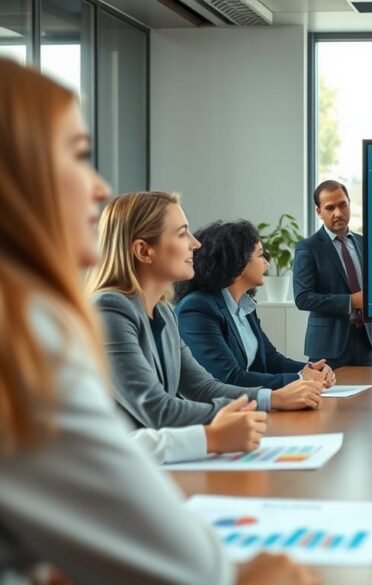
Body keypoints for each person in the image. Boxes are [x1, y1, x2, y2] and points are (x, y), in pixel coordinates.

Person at [0, 58, 317, 584]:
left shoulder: (162, 310)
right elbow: (193, 568)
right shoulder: (42, 334)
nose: (99, 188)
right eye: (77, 157)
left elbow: (199, 385)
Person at [87, 192, 324, 431]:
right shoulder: (109, 310)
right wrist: (242, 414)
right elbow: (157, 410)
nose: (195, 243)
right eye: (182, 234)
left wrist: (273, 399)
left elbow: (203, 388)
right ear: (143, 251)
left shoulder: (163, 312)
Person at [175, 220, 336, 389]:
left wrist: (311, 369)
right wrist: (301, 379)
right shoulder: (197, 308)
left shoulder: (245, 305)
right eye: (260, 255)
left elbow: (270, 358)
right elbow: (229, 378)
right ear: (238, 263)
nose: (266, 263)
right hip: (219, 411)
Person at [294, 180, 372, 368]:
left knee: (367, 397)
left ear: (349, 203)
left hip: (365, 340)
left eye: (343, 205)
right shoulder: (308, 248)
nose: (338, 213)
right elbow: (303, 298)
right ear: (318, 212)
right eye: (330, 208)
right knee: (328, 398)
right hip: (327, 346)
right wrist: (350, 301)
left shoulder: (364, 243)